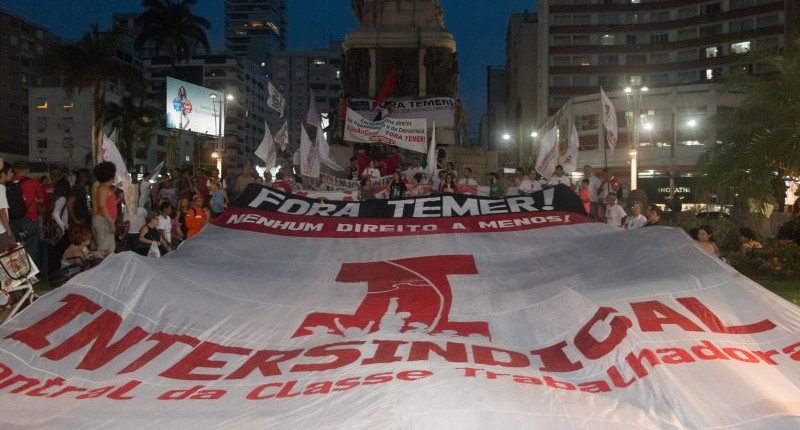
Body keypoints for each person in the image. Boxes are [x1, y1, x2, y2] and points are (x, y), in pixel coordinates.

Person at [91, 162, 118, 255]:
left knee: (109, 248)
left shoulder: (105, 187)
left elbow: (109, 204)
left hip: (105, 220)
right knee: (104, 250)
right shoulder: (103, 188)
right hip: (104, 220)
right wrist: (111, 222)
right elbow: (102, 205)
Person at [0, 165, 15, 249]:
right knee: (10, 258)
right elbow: (1, 210)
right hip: (2, 230)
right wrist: (8, 230)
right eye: (10, 171)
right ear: (2, 174)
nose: (12, 174)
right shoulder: (0, 188)